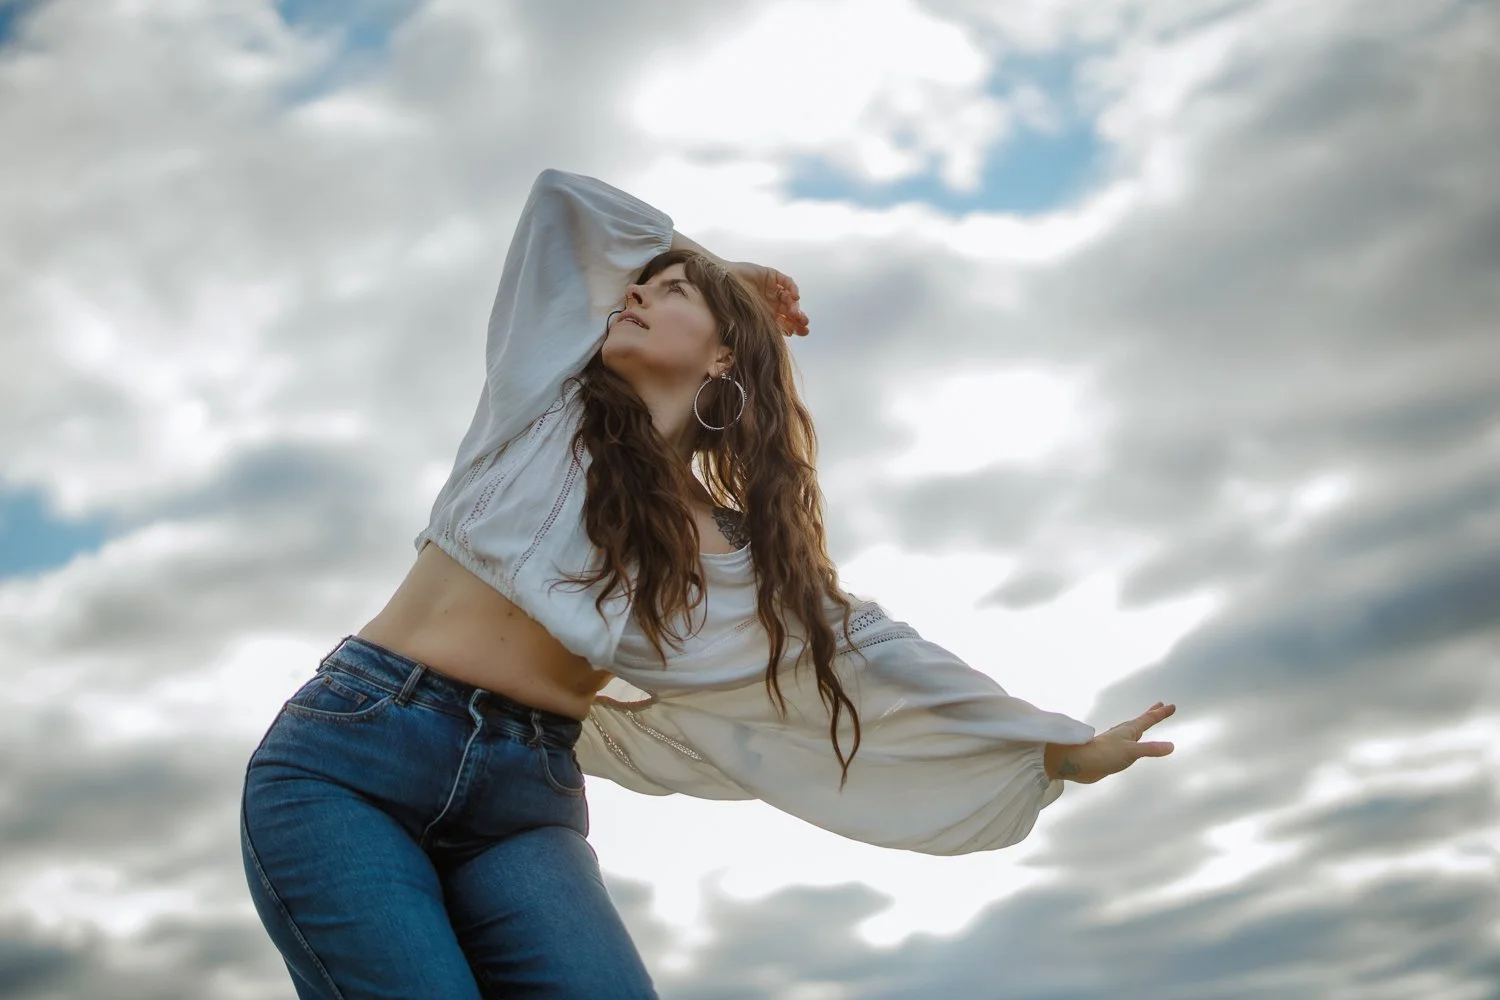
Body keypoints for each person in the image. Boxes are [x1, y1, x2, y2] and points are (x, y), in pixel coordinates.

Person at [239, 169, 1177, 999]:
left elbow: (866, 653)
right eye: (637, 285)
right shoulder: (536, 405)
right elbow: (565, 205)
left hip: (525, 796)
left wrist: (1056, 749)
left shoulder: (725, 550)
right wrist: (716, 265)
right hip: (353, 760)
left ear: (727, 354)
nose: (637, 295)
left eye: (672, 291)